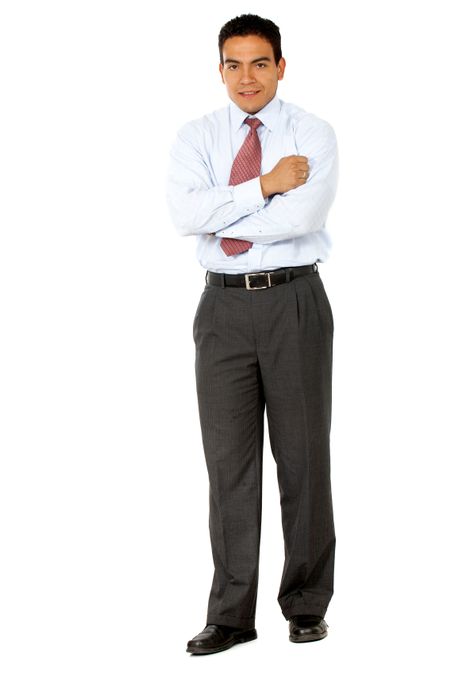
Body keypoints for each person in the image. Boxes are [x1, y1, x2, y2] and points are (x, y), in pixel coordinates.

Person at [166, 13, 338, 655]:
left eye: (260, 63)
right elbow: (185, 214)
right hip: (222, 311)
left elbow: (306, 216)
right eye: (234, 64)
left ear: (281, 67)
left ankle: (305, 604)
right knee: (227, 465)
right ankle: (231, 615)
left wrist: (224, 208)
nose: (247, 77)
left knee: (303, 458)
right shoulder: (197, 136)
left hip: (293, 300)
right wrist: (264, 185)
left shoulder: (312, 133)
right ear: (220, 69)